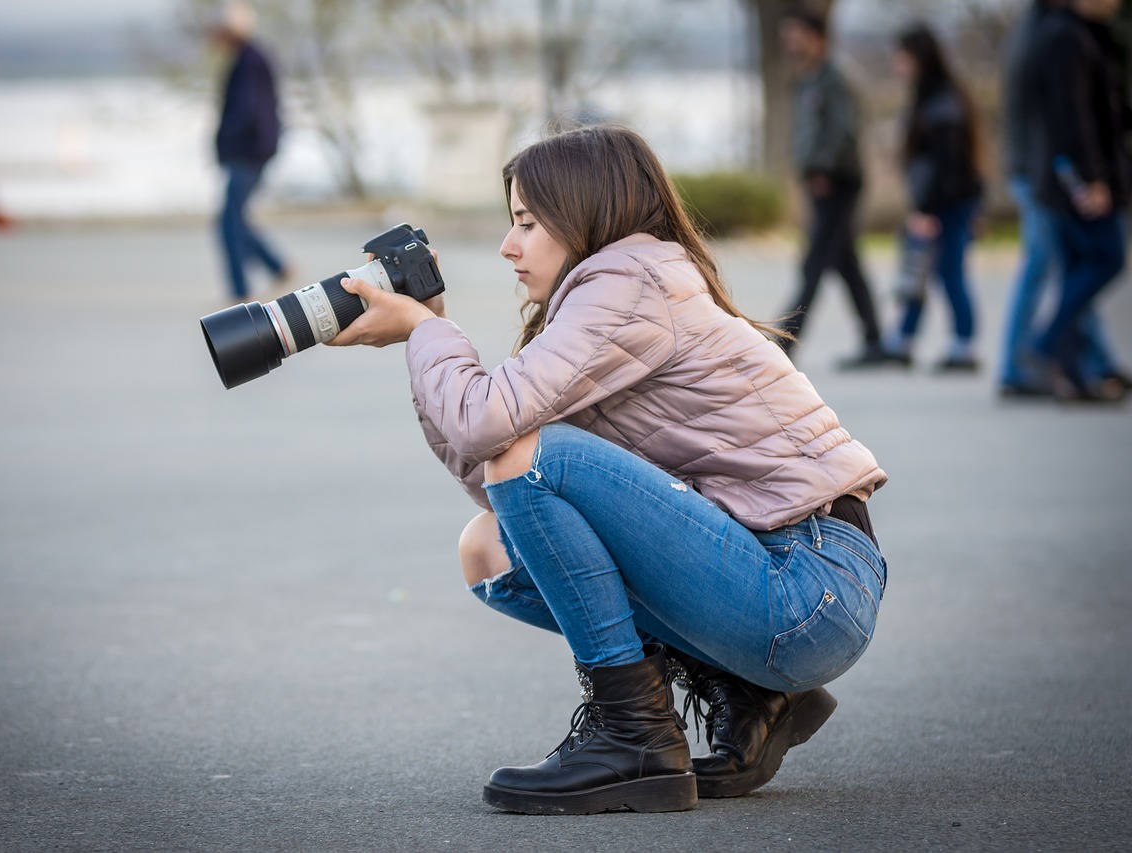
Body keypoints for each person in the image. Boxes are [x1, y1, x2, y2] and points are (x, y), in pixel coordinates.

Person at [328, 125, 888, 814]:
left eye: (527, 223)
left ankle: (633, 737)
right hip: (786, 583)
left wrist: (425, 333)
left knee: (526, 457)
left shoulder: (629, 282)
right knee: (488, 547)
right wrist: (430, 330)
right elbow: (503, 481)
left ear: (586, 213)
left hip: (807, 584)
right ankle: (746, 690)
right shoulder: (614, 295)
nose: (509, 245)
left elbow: (500, 440)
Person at [999, 0, 1127, 399]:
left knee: (1070, 267)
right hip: (1056, 175)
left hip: (1048, 173)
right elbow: (1069, 116)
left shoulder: (1055, 30)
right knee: (1100, 258)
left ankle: (1078, 373)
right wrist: (1089, 178)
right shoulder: (1059, 34)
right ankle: (1034, 352)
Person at [777, 8, 885, 368]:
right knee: (845, 262)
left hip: (836, 182)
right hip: (820, 181)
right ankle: (875, 340)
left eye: (796, 34)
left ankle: (784, 341)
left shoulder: (832, 78)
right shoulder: (808, 78)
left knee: (815, 261)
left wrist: (822, 169)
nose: (789, 41)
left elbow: (843, 130)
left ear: (817, 38)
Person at [880, 24, 985, 372]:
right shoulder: (931, 95)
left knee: (947, 272)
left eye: (903, 58)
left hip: (947, 204)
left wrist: (927, 210)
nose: (897, 65)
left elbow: (948, 165)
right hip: (936, 202)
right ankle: (904, 339)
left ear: (919, 59)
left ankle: (963, 347)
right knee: (917, 270)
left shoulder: (942, 101)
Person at [208, 2, 289, 301]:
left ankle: (239, 290)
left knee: (229, 221)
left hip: (249, 151)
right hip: (253, 149)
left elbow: (247, 111)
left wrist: (227, 140)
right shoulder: (247, 57)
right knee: (235, 218)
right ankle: (279, 267)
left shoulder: (249, 60)